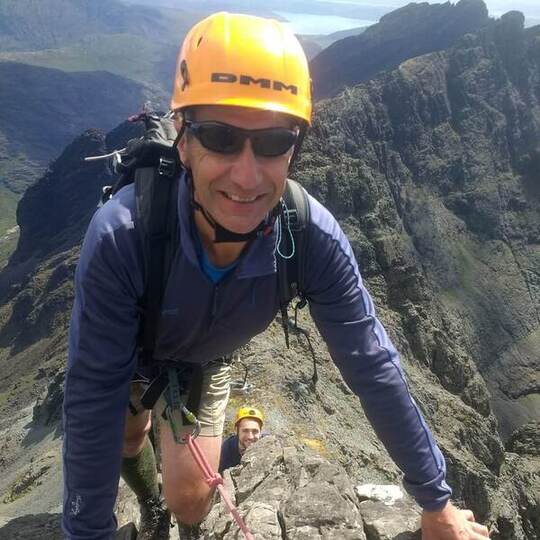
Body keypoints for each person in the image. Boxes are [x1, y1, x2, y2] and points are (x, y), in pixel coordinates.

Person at [62, 11, 491, 540]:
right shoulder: (122, 235)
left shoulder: (310, 236)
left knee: (192, 503)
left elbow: (372, 367)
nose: (247, 175)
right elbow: (91, 399)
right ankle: (150, 498)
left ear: (295, 147)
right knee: (125, 437)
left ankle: (170, 493)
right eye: (219, 137)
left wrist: (436, 502)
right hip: (130, 355)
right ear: (183, 137)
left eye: (272, 143)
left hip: (202, 358)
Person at [219, 407, 264, 473]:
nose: (250, 437)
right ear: (237, 431)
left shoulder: (268, 444)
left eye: (255, 431)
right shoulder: (227, 449)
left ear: (260, 431)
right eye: (245, 430)